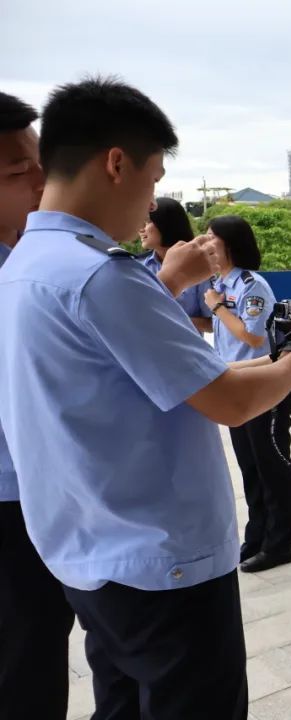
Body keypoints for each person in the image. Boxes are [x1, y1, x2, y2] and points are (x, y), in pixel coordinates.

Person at [0, 77, 291, 720]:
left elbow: (140, 376)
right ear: (117, 163)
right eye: (154, 178)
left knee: (121, 705)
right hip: (162, 566)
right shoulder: (99, 275)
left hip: (90, 556)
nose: (152, 203)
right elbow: (228, 401)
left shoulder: (25, 265)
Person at [0, 91, 76, 720]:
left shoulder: (29, 258)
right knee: (25, 663)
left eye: (40, 164)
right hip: (9, 503)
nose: (40, 182)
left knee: (42, 648)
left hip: (41, 491)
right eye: (18, 171)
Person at [205, 215, 291, 573]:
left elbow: (252, 335)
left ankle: (280, 545)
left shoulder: (250, 285)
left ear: (230, 243)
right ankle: (256, 538)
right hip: (236, 384)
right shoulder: (219, 284)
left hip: (263, 384)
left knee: (272, 467)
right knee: (250, 467)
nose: (205, 242)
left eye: (211, 237)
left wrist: (217, 306)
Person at [138, 196, 213, 332]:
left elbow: (213, 323)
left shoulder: (197, 265)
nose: (141, 229)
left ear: (166, 223)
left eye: (148, 222)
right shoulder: (138, 267)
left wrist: (170, 319)